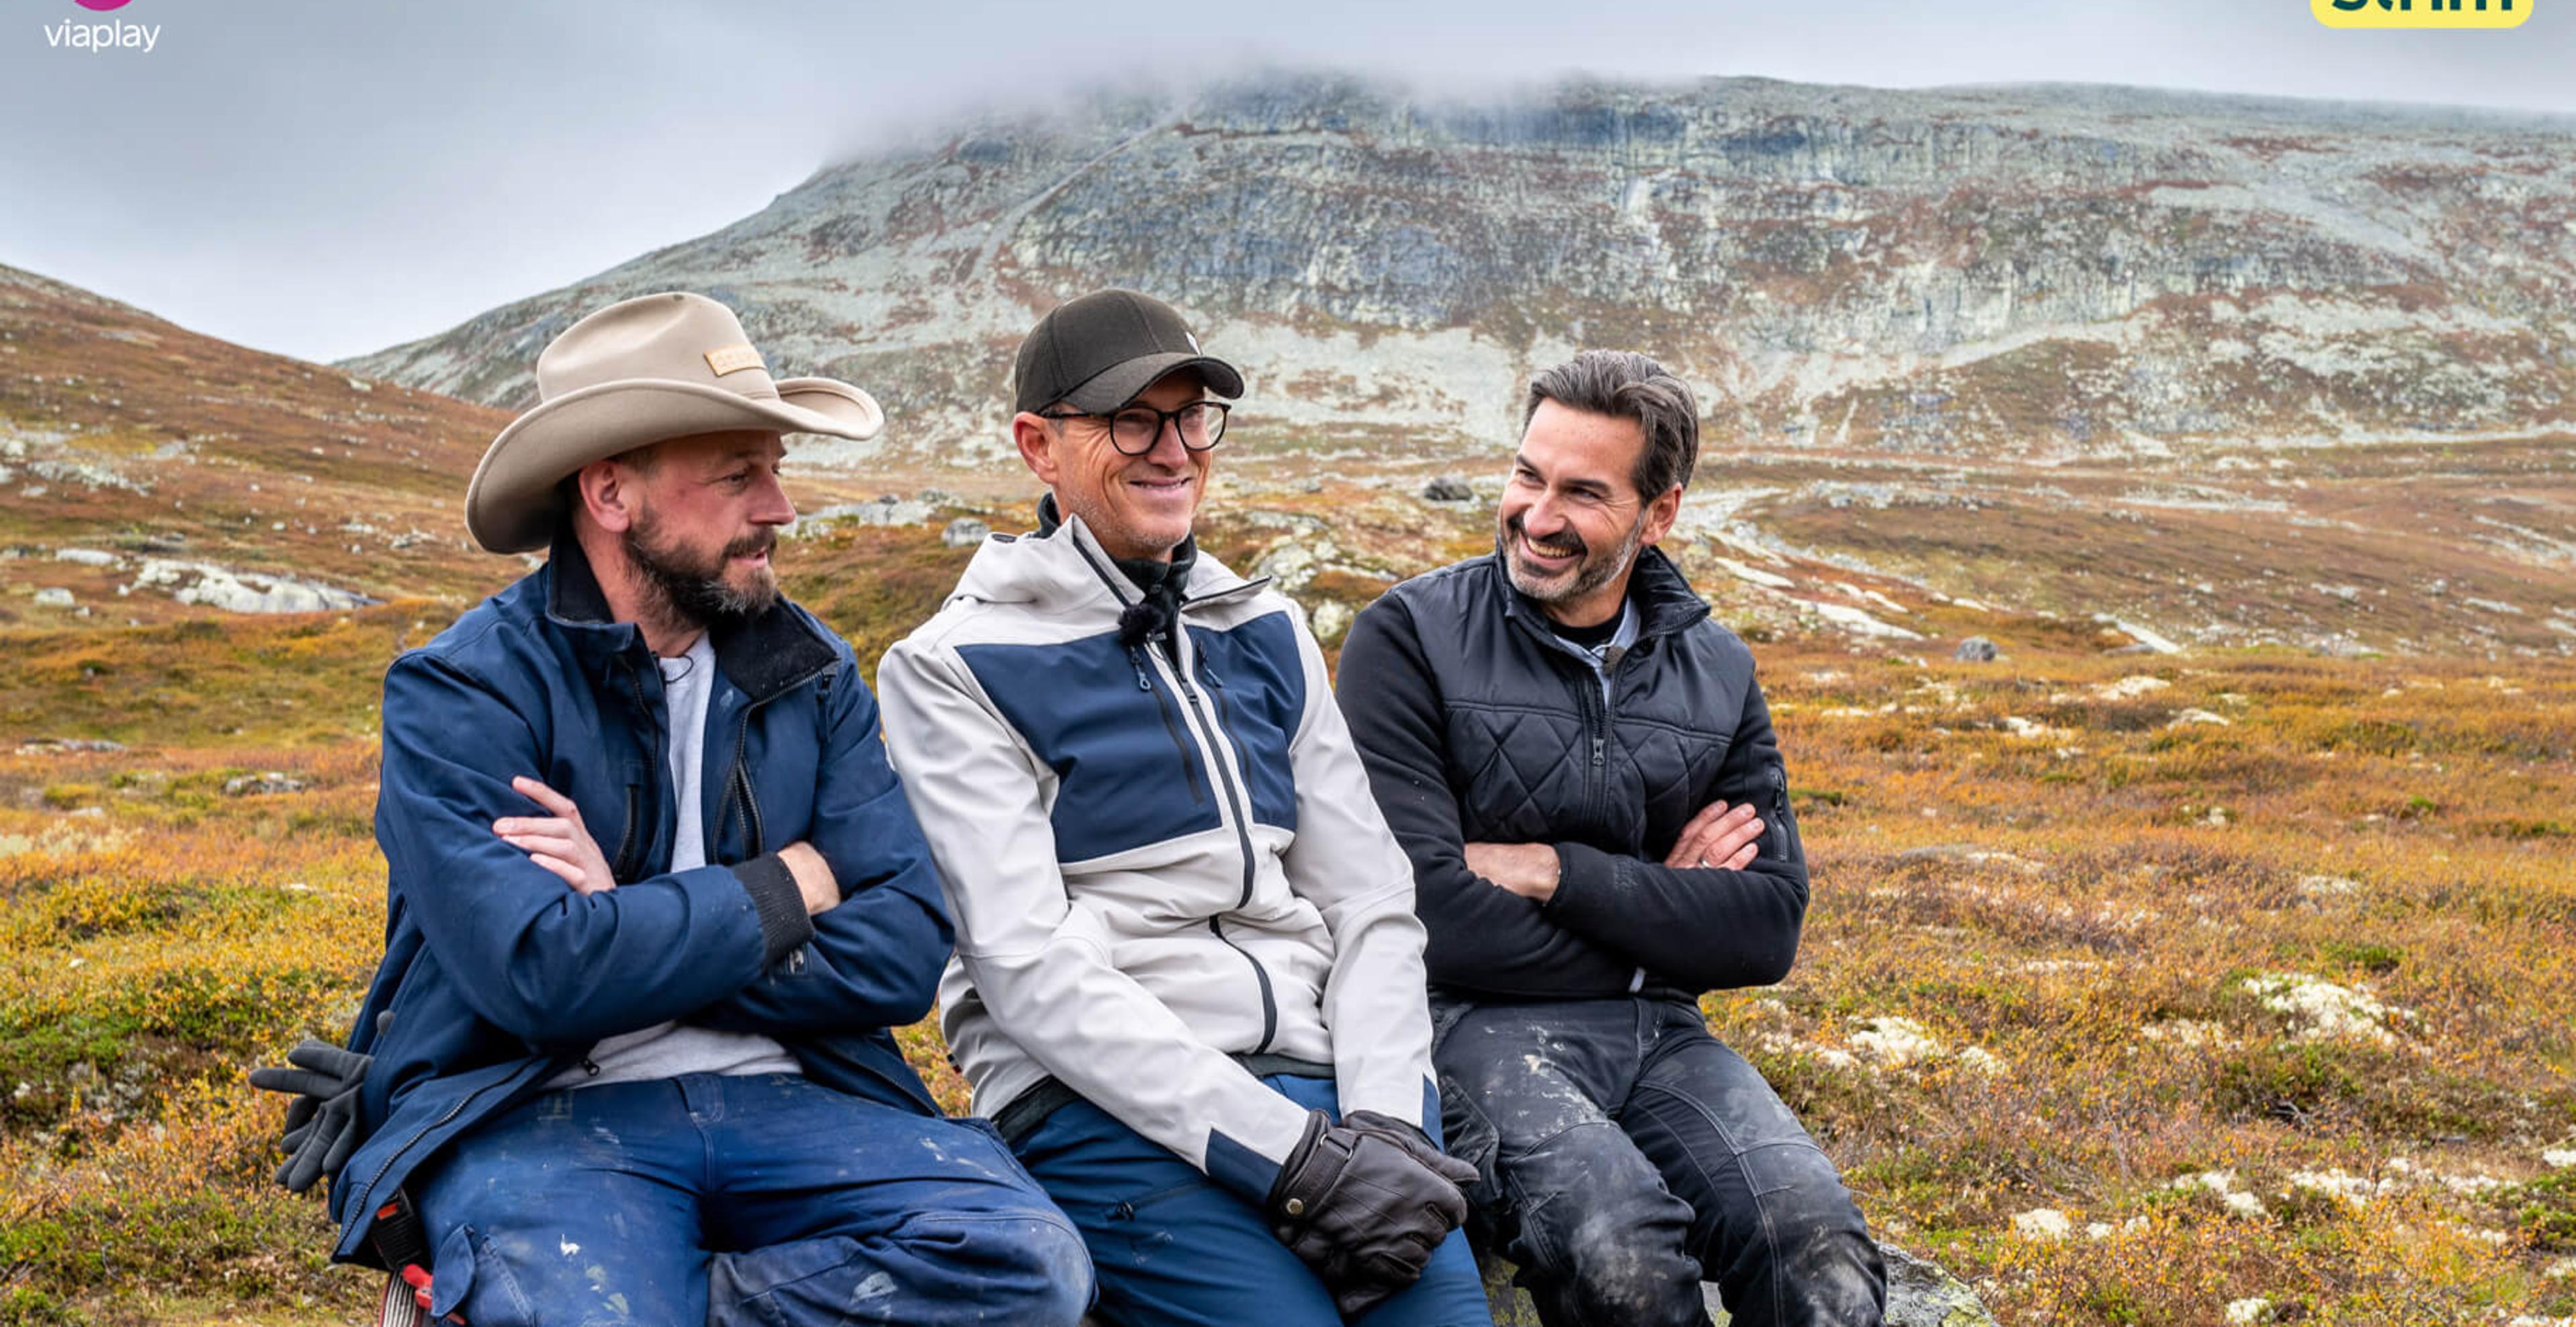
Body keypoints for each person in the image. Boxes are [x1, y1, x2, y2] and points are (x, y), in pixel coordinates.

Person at [256, 293, 1090, 1327]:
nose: (780, 508)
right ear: (610, 492)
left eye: (776, 470)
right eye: (741, 475)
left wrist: (628, 923)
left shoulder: (811, 671)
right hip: (537, 1111)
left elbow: (900, 954)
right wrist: (792, 882)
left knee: (1029, 1264)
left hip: (803, 1097)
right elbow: (540, 977)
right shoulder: (462, 691)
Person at [877, 287, 1494, 1327]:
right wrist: (1289, 1158)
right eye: (1133, 421)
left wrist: (1388, 1128)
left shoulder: (1268, 628)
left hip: (1336, 1096)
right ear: (1040, 445)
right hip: (1102, 1110)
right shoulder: (952, 667)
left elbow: (1374, 903)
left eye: (1193, 418)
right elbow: (1027, 973)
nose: (1174, 451)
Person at [1335, 351, 1886, 1327]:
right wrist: (1659, 910)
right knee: (1620, 1249)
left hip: (1660, 1038)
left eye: (1583, 493)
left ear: (1658, 512)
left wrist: (1558, 872)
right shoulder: (1409, 637)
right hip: (1463, 1028)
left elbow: (1764, 931)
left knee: (1818, 1247)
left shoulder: (1715, 668)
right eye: (1527, 476)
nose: (1538, 517)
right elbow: (1431, 914)